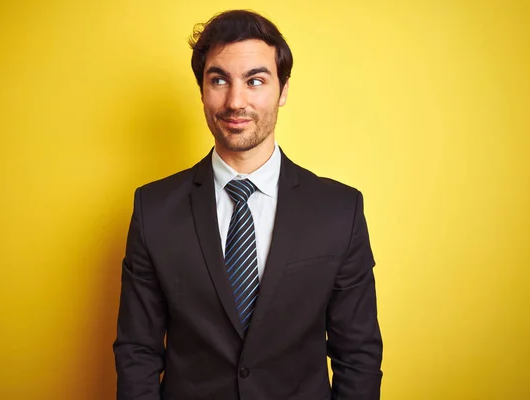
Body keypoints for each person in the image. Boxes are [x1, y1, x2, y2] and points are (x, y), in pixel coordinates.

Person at [113, 9, 383, 400]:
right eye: (219, 80)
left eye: (255, 80)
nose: (235, 101)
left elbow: (357, 355)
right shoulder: (153, 209)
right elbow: (137, 352)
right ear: (202, 90)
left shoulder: (340, 210)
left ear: (283, 89)